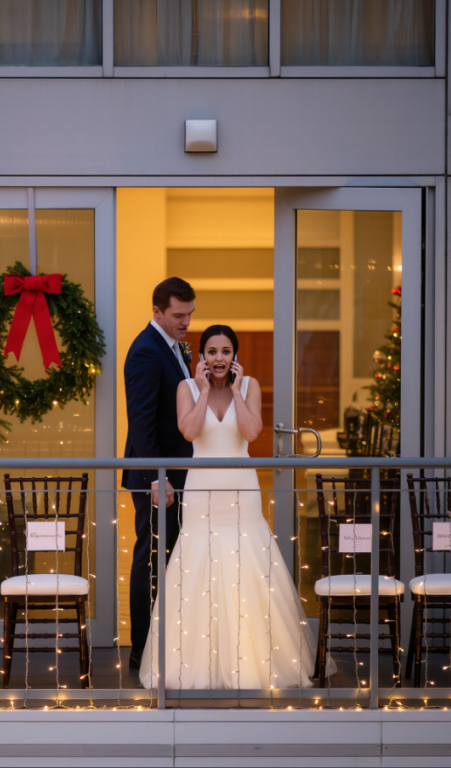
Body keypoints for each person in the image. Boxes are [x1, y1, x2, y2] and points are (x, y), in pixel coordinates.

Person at [139, 325, 318, 690]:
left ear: (234, 356)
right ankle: (196, 662)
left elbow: (251, 433)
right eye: (211, 351)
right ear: (202, 356)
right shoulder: (185, 388)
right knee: (197, 563)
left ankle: (253, 662)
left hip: (241, 490)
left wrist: (235, 391)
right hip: (201, 490)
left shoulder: (249, 386)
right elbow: (189, 432)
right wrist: (204, 391)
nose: (218, 358)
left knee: (247, 561)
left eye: (225, 351)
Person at [122, 277, 195, 671]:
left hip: (177, 475)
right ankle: (142, 649)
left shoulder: (173, 346)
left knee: (169, 557)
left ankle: (165, 645)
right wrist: (156, 477)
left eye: (189, 314)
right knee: (151, 559)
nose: (185, 322)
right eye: (178, 315)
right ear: (157, 311)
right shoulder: (146, 352)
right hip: (158, 477)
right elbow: (141, 422)